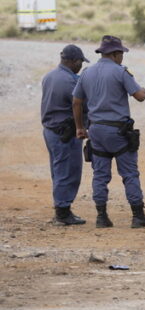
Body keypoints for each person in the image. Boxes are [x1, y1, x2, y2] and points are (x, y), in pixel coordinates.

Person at [73, 35, 145, 229]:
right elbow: (140, 96)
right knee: (129, 173)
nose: (122, 57)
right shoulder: (121, 72)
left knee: (100, 175)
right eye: (121, 54)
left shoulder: (87, 73)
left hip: (96, 130)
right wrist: (144, 89)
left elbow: (76, 102)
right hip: (118, 131)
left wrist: (80, 127)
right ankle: (138, 216)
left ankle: (101, 217)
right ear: (115, 54)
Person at [41, 44, 89, 226]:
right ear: (74, 61)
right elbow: (81, 105)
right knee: (68, 171)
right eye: (80, 62)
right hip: (65, 133)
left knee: (58, 170)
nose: (81, 66)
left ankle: (62, 209)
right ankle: (62, 213)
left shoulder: (49, 76)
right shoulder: (70, 81)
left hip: (51, 131)